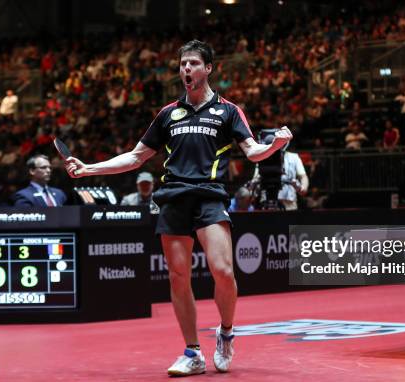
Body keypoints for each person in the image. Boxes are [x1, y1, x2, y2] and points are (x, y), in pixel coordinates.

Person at [64, 40, 292, 376]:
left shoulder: (228, 111)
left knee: (223, 271)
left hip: (210, 196)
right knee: (178, 276)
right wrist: (89, 168)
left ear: (209, 68)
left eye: (194, 63)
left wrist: (276, 145)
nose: (187, 69)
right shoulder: (168, 114)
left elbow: (253, 151)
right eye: (183, 63)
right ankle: (192, 352)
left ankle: (226, 333)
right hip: (172, 197)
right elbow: (136, 156)